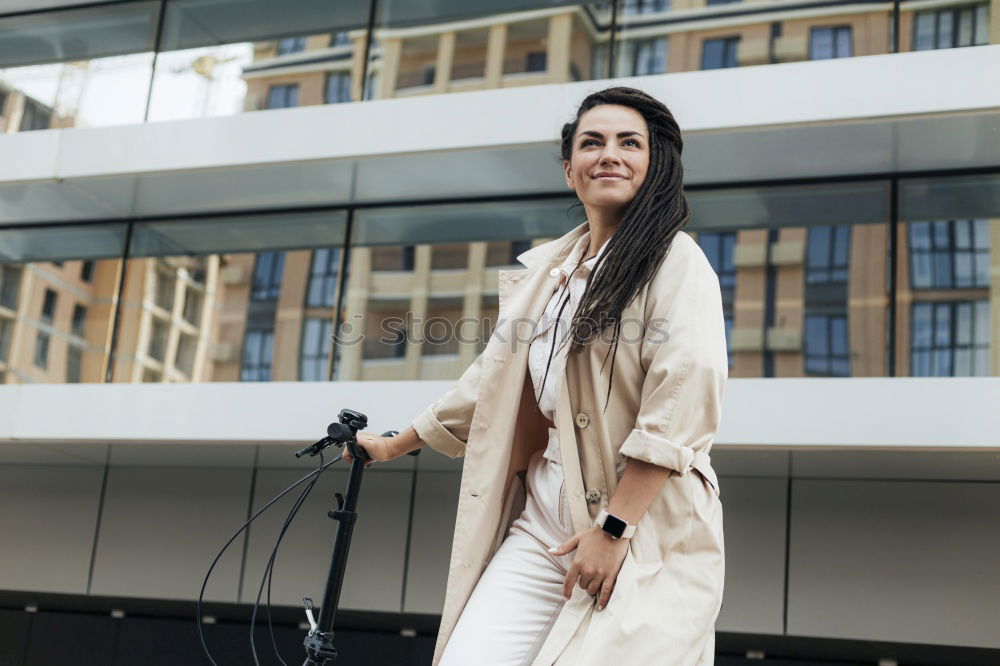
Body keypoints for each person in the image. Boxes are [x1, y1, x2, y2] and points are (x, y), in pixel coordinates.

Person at [343, 86, 728, 666]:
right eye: (591, 143)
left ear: (655, 166)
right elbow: (492, 378)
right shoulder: (550, 271)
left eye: (630, 143)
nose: (609, 155)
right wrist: (395, 443)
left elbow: (679, 404)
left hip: (643, 521)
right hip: (545, 513)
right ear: (571, 170)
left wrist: (614, 528)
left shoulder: (677, 260)